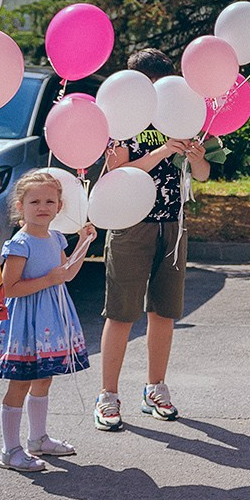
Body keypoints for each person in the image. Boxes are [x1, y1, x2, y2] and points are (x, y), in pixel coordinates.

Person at [94, 48, 211, 432]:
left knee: (164, 312)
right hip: (131, 224)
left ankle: (155, 388)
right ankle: (108, 396)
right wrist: (164, 150)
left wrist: (194, 155)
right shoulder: (123, 119)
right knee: (122, 312)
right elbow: (119, 171)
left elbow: (205, 174)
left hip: (172, 224)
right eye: (153, 86)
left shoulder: (180, 116)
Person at [0, 171, 96, 473]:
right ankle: (10, 450)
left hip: (48, 319)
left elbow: (68, 273)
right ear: (20, 206)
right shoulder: (20, 243)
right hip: (24, 322)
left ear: (59, 206)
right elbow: (10, 288)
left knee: (43, 377)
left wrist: (83, 244)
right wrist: (48, 279)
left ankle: (38, 439)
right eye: (35, 201)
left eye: (50, 200)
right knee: (20, 382)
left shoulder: (56, 237)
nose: (43, 206)